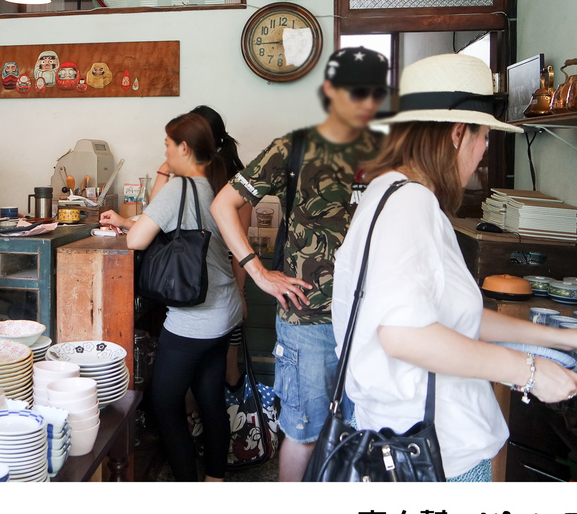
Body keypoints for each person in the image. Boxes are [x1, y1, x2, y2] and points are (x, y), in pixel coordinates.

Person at [331, 53, 577, 481]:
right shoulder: (411, 204)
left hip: (417, 440)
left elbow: (458, 320)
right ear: (458, 133)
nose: (482, 152)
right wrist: (527, 372)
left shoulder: (388, 192)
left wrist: (569, 336)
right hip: (431, 452)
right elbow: (403, 335)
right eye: (484, 137)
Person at [210, 46, 390, 481]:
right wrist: (257, 271)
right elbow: (223, 205)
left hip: (375, 321)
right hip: (310, 319)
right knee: (304, 433)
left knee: (361, 432)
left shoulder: (389, 151)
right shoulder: (293, 148)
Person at [100, 113, 243, 481]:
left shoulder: (182, 188)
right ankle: (214, 477)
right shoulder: (217, 184)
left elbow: (136, 241)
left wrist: (138, 212)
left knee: (163, 403)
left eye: (167, 142)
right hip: (224, 307)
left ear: (184, 147)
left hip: (196, 315)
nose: (163, 149)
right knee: (209, 398)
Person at [150, 105, 249, 387]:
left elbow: (240, 247)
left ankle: (229, 422)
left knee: (224, 373)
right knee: (206, 382)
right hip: (212, 286)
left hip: (226, 283)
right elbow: (156, 212)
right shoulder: (195, 177)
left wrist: (240, 293)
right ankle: (199, 423)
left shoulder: (232, 182)